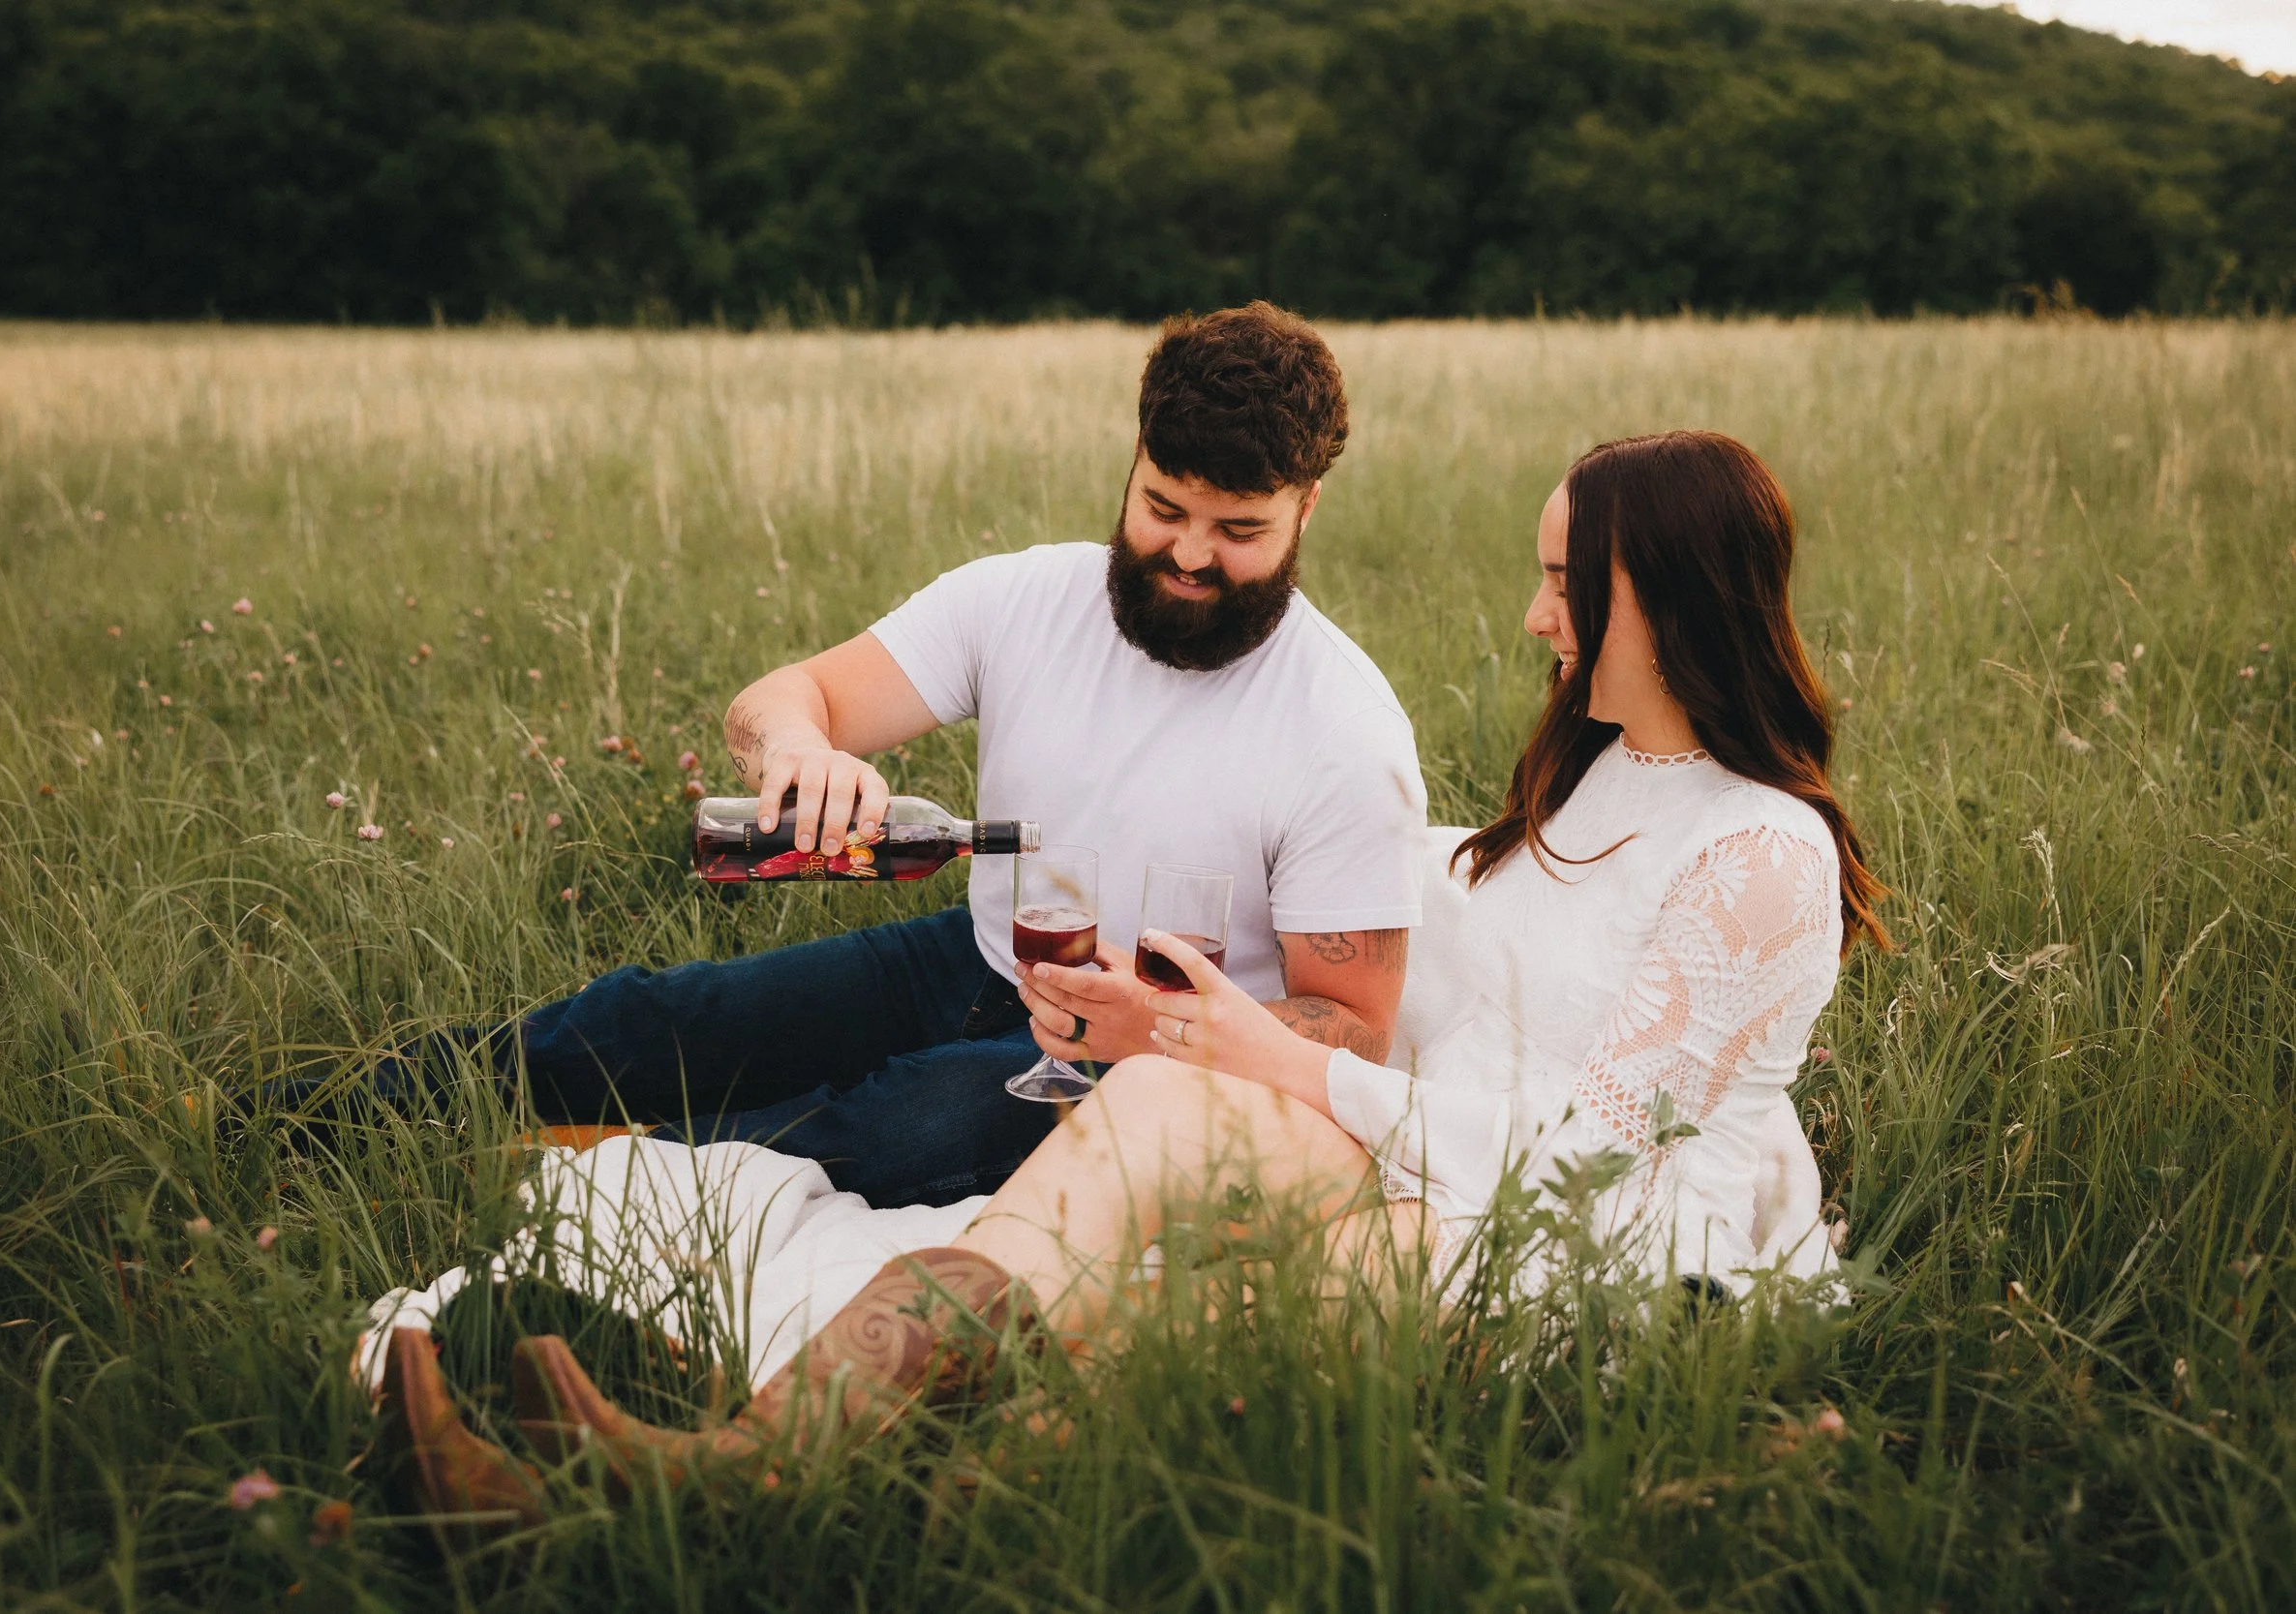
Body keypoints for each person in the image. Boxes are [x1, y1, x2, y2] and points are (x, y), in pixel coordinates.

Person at [368, 427, 1887, 1536]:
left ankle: (731, 1511)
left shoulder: (1762, 852)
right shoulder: (1596, 774)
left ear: (1668, 593)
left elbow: (1592, 1158)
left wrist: (1284, 1059)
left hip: (1589, 1246)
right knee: (1156, 1102)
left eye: (1569, 584)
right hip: (1435, 1141)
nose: (1539, 614)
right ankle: (743, 1454)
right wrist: (1192, 1032)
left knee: (1167, 1305)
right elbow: (1444, 990)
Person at [505, 302, 1428, 1209]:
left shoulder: (1345, 727)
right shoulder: (1026, 598)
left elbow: (1354, 1032)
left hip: (1158, 1060)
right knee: (656, 1022)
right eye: (1162, 507)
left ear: (1307, 506)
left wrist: (1154, 1024)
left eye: (1239, 531)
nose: (1188, 554)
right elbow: (778, 701)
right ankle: (380, 1112)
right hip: (975, 959)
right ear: (1133, 464)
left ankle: (565, 1197)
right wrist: (800, 748)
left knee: (882, 1126)